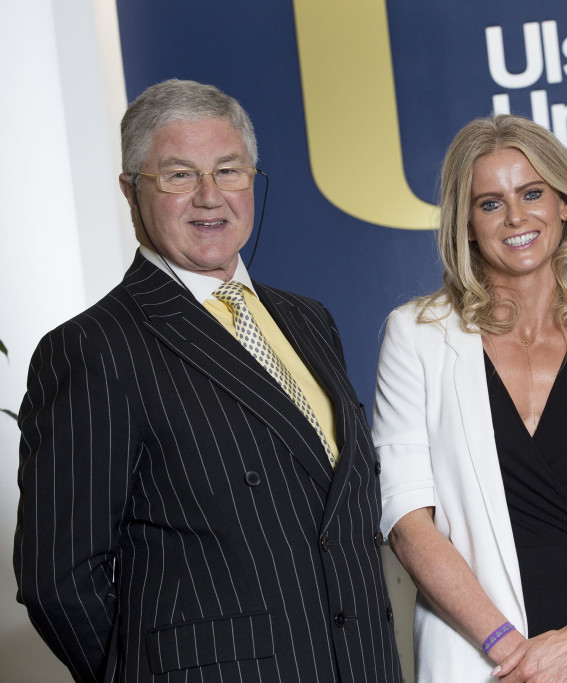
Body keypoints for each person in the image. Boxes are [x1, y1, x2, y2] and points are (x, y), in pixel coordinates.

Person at [14, 79, 402, 683]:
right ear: (130, 190)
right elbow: (58, 581)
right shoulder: (94, 347)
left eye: (228, 170)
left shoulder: (307, 319)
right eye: (177, 175)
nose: (209, 197)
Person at [372, 114, 567, 682]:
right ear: (465, 223)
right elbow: (406, 519)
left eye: (532, 192)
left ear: (565, 204)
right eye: (490, 203)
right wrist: (512, 652)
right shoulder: (415, 335)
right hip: (483, 657)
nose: (516, 216)